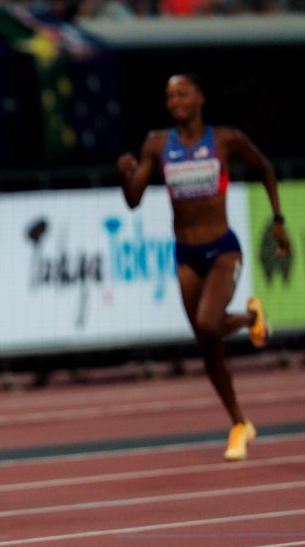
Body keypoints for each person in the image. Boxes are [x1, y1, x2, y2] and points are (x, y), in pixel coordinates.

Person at [117, 72, 288, 461]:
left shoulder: (225, 139)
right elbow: (133, 199)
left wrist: (278, 221)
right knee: (207, 346)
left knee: (211, 323)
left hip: (223, 249)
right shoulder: (157, 144)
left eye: (181, 94)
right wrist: (123, 174)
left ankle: (247, 319)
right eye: (169, 96)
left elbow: (264, 168)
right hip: (185, 254)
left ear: (199, 98)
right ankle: (239, 423)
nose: (174, 101)